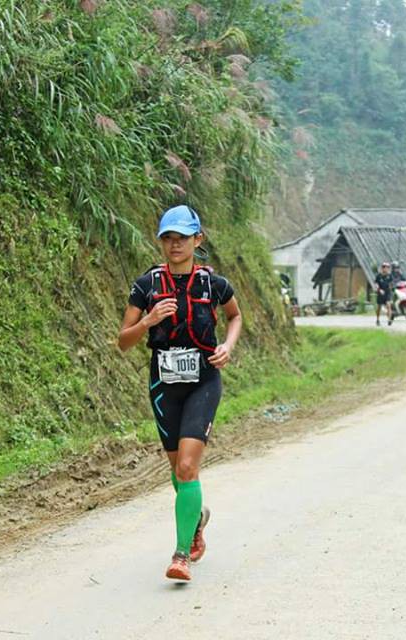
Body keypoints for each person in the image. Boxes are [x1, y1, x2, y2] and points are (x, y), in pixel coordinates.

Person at [117, 205, 242, 582]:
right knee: (178, 471)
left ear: (196, 240)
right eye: (168, 238)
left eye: (182, 238)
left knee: (188, 467)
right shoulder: (146, 286)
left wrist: (228, 347)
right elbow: (123, 341)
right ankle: (197, 519)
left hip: (204, 380)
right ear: (161, 242)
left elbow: (235, 316)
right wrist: (149, 320)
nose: (175, 245)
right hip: (163, 383)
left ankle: (181, 554)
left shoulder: (213, 284)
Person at [374, 261, 394, 326]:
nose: (387, 269)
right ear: (382, 268)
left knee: (388, 305)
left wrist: (390, 287)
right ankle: (377, 319)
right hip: (380, 293)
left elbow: (391, 283)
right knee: (379, 307)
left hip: (387, 292)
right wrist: (379, 290)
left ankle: (389, 320)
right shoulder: (378, 276)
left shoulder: (390, 275)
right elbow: (376, 284)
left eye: (388, 267)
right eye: (385, 267)